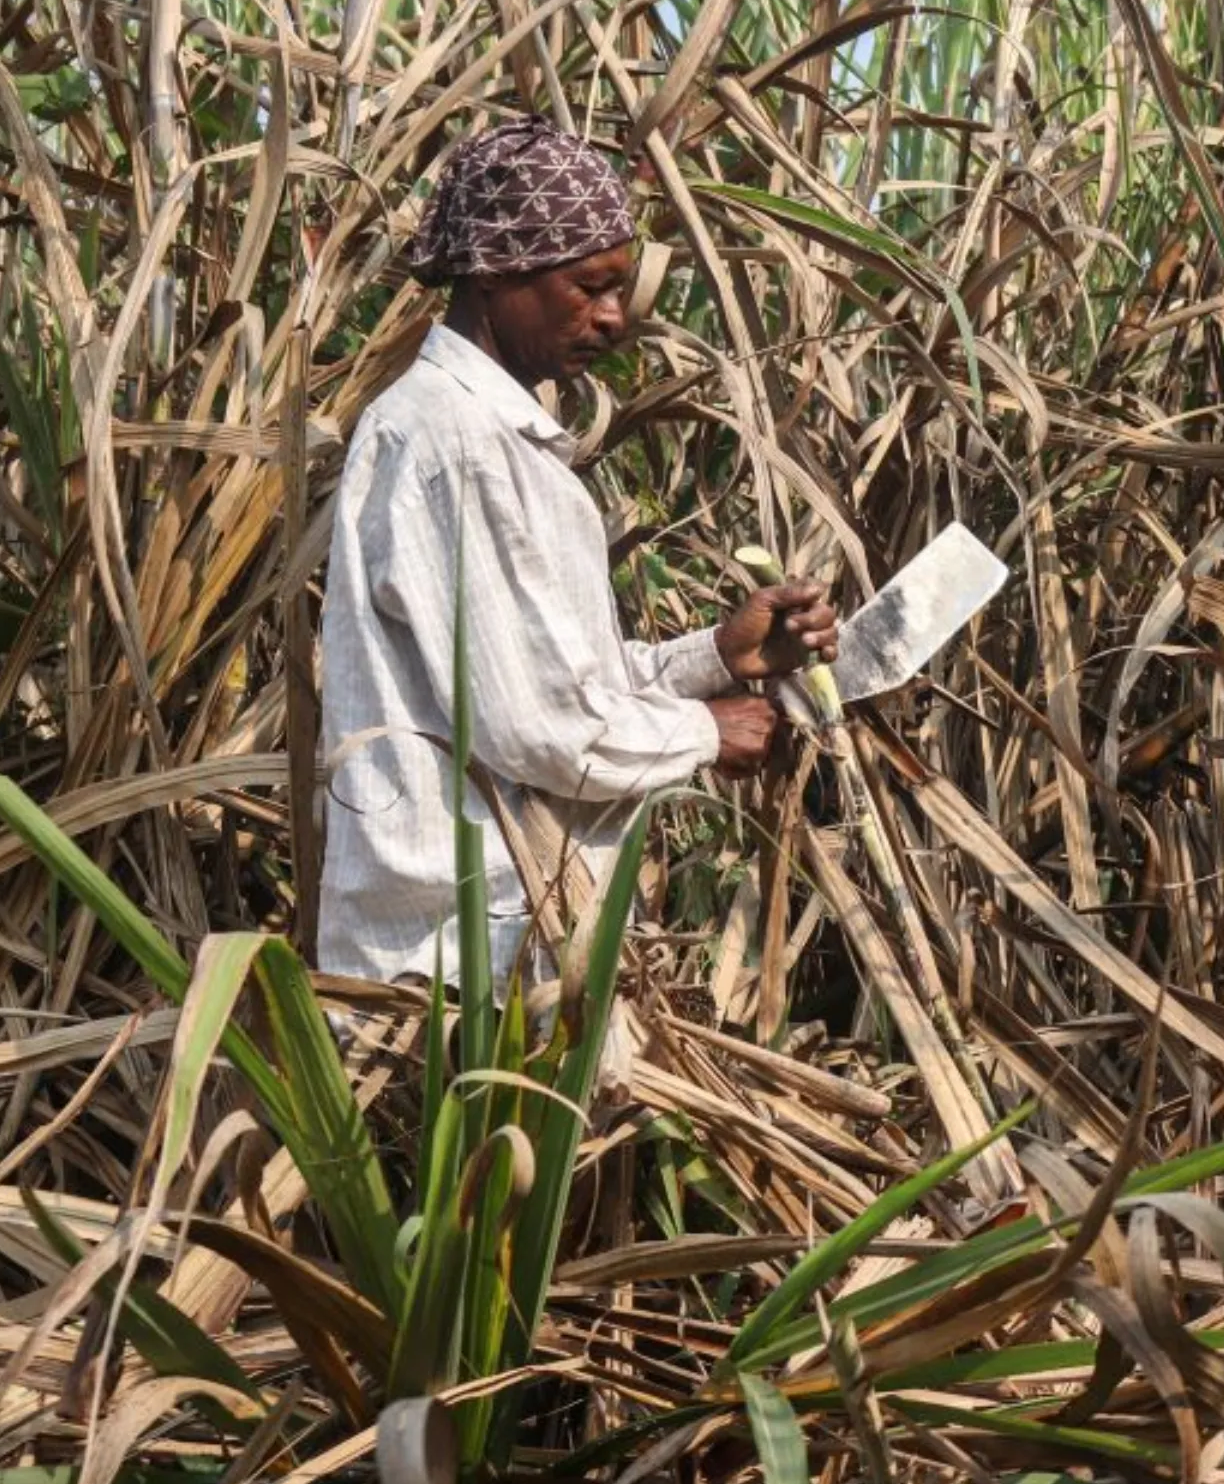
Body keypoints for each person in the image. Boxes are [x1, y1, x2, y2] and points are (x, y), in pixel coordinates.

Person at [318, 115, 837, 991]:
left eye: (620, 289)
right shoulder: (455, 442)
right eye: (587, 286)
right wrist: (703, 734)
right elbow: (537, 729)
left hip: (502, 943)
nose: (612, 318)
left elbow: (554, 683)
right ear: (494, 274)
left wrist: (716, 656)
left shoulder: (491, 437)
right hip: (452, 971)